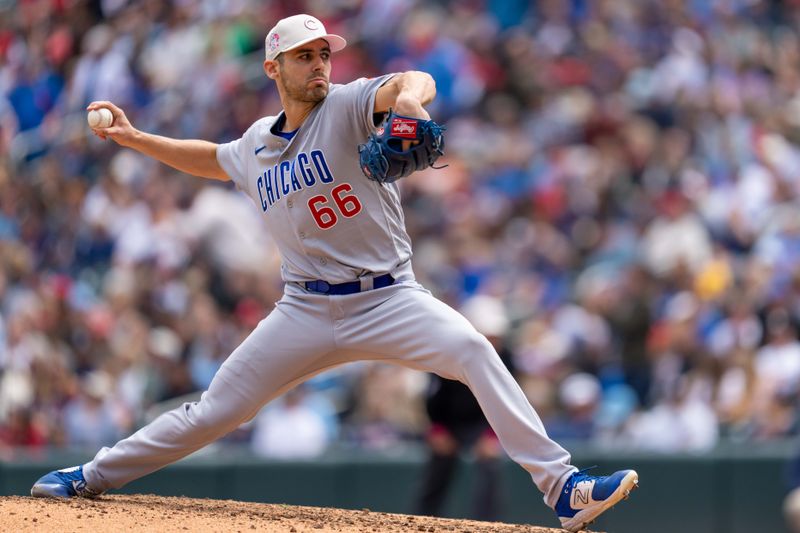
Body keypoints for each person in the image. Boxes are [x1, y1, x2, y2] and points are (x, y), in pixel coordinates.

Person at [29, 14, 638, 532]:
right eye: (304, 56)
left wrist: (406, 100)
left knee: (474, 349)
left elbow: (411, 79)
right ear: (274, 68)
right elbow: (212, 160)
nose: (319, 64)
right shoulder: (254, 145)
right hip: (305, 310)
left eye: (324, 53)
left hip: (389, 298)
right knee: (215, 411)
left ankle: (562, 487)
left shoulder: (346, 105)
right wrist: (136, 139)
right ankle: (90, 475)